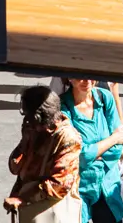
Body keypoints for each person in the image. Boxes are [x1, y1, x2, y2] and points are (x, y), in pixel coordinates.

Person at [6, 86, 83, 222]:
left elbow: (60, 184)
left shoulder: (69, 139)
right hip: (31, 210)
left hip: (51, 212)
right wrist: (24, 142)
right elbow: (14, 168)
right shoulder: (34, 131)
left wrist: (22, 198)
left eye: (27, 114)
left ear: (39, 116)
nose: (25, 120)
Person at [58, 79, 123, 223]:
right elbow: (79, 155)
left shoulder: (105, 97)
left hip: (107, 184)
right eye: (80, 76)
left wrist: (93, 153)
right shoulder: (63, 108)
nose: (87, 81)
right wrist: (113, 139)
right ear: (70, 77)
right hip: (79, 187)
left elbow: (118, 149)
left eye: (91, 76)